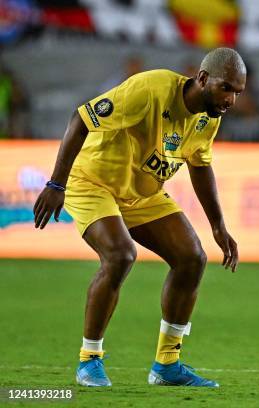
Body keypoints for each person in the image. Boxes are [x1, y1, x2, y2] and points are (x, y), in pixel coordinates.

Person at [33, 47, 246, 387]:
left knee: (192, 258)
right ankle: (89, 360)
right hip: (93, 181)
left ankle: (167, 364)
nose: (231, 99)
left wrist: (218, 226)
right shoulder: (151, 89)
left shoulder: (209, 118)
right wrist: (56, 183)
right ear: (203, 78)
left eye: (238, 92)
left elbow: (200, 165)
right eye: (226, 88)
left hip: (142, 192)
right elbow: (81, 119)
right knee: (120, 255)